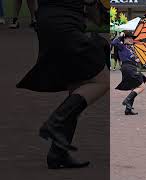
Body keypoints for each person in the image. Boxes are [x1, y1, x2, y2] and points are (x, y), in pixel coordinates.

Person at [16, 0, 109, 169]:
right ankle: (55, 122)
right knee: (102, 82)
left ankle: (57, 153)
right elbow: (94, 13)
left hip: (47, 22)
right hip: (66, 25)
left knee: (78, 86)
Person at [112, 31, 146, 115]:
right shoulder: (121, 46)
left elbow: (133, 57)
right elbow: (114, 42)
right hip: (128, 67)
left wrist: (137, 60)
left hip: (132, 67)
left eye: (132, 38)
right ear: (125, 38)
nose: (131, 40)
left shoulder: (130, 48)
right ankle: (127, 100)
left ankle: (128, 109)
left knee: (136, 86)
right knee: (141, 86)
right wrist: (121, 36)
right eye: (129, 38)